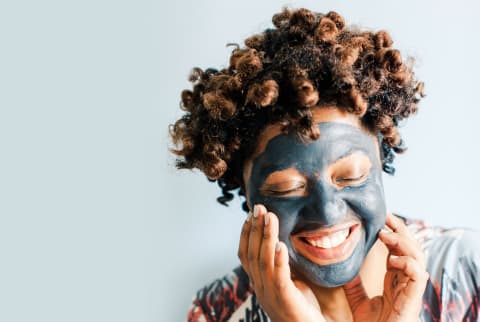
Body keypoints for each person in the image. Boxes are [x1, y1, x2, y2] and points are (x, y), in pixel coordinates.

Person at [170, 7, 480, 322]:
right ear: (246, 192)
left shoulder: (467, 271)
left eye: (351, 176)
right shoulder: (217, 311)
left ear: (381, 158)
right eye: (288, 187)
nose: (328, 212)